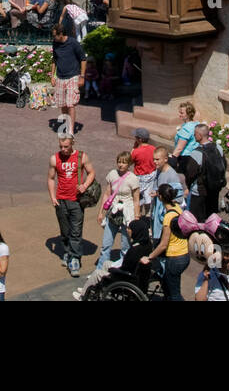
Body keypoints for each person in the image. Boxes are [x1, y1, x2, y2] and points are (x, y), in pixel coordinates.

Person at [49, 133, 94, 278]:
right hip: (61, 200)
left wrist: (85, 185)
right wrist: (52, 196)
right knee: (65, 231)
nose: (63, 149)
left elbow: (91, 172)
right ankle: (68, 252)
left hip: (76, 200)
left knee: (76, 231)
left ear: (72, 143)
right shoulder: (54, 159)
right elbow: (50, 178)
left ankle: (75, 258)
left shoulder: (82, 157)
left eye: (66, 146)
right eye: (61, 147)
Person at [143, 183, 190, 300]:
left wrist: (150, 257)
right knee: (170, 288)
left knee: (174, 294)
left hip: (174, 257)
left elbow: (164, 244)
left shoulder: (168, 217)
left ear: (160, 198)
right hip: (184, 255)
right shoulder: (177, 208)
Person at [97, 150, 140, 268]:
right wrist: (101, 212)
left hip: (127, 212)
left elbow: (136, 200)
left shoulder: (133, 179)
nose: (121, 165)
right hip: (113, 210)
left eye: (124, 162)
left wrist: (136, 217)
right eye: (119, 162)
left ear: (129, 164)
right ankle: (100, 269)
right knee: (106, 244)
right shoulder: (112, 174)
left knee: (125, 245)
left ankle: (123, 269)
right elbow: (107, 194)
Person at [183, 124, 227, 222]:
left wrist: (189, 187)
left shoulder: (196, 153)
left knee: (196, 220)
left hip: (199, 191)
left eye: (195, 134)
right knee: (211, 219)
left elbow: (190, 175)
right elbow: (224, 165)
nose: (194, 136)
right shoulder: (218, 148)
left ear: (199, 135)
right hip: (214, 189)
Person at [51, 24, 84, 137]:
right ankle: (66, 124)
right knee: (63, 104)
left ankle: (70, 131)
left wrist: (82, 76)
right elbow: (54, 60)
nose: (53, 37)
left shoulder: (73, 43)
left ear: (61, 34)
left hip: (73, 76)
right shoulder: (55, 43)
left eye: (55, 35)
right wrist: (52, 76)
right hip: (60, 76)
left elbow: (83, 59)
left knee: (71, 104)